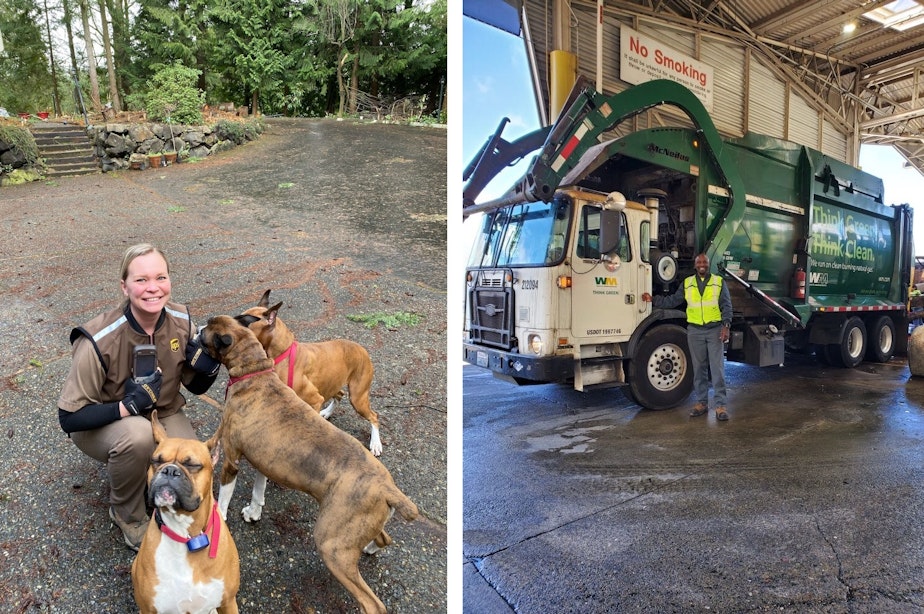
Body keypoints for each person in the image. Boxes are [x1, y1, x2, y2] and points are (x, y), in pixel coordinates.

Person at [57, 243, 222, 550]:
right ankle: (127, 513)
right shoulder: (98, 338)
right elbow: (69, 418)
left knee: (196, 457)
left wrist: (209, 370)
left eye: (160, 277)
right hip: (103, 422)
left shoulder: (181, 320)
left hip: (164, 411)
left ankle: (182, 509)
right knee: (138, 436)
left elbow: (194, 388)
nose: (153, 288)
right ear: (124, 286)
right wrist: (126, 406)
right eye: (141, 280)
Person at [642, 253, 733, 421]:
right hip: (695, 331)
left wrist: (726, 326)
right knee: (699, 368)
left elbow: (726, 305)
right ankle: (701, 403)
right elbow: (673, 301)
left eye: (704, 261)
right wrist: (652, 299)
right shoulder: (688, 283)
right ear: (695, 265)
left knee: (717, 368)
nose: (702, 264)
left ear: (708, 263)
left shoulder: (719, 282)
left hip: (714, 330)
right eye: (699, 262)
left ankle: (720, 405)